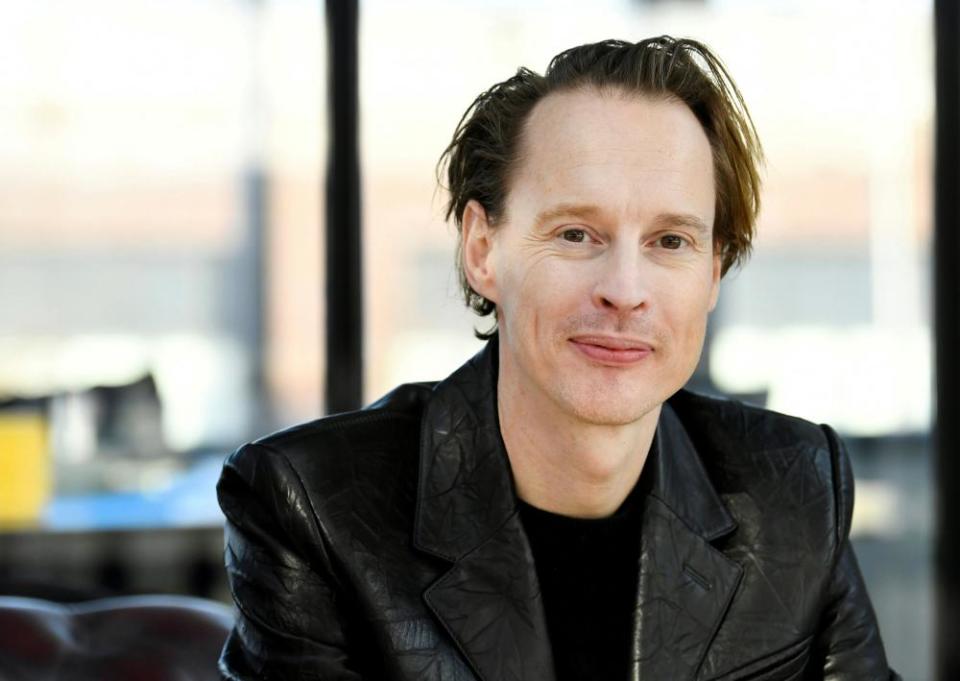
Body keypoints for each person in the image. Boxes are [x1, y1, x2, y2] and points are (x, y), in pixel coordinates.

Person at [217, 37, 899, 680]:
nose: (626, 291)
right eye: (577, 234)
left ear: (714, 273)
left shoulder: (793, 488)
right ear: (483, 250)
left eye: (670, 241)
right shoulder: (312, 507)